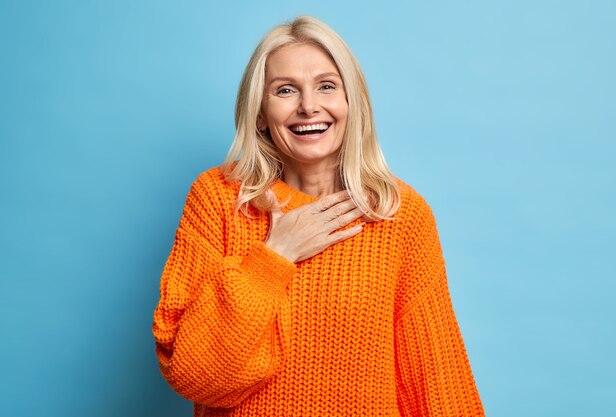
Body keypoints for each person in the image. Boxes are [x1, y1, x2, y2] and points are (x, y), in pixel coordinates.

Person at [152, 16, 485, 417]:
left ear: (351, 103)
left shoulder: (399, 215)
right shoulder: (219, 199)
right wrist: (274, 257)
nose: (309, 105)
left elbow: (437, 380)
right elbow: (195, 376)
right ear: (260, 113)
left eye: (326, 86)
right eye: (285, 90)